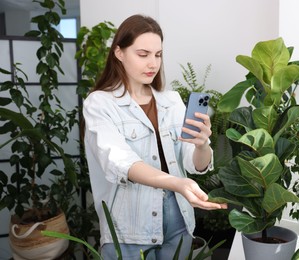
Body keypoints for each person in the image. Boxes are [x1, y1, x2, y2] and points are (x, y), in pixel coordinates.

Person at [82, 14, 227, 260]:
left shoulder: (171, 101)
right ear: (119, 52)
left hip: (179, 222)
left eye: (158, 55)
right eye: (143, 54)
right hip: (129, 230)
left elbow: (196, 165)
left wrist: (202, 144)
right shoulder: (100, 103)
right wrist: (178, 183)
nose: (153, 63)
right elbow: (121, 162)